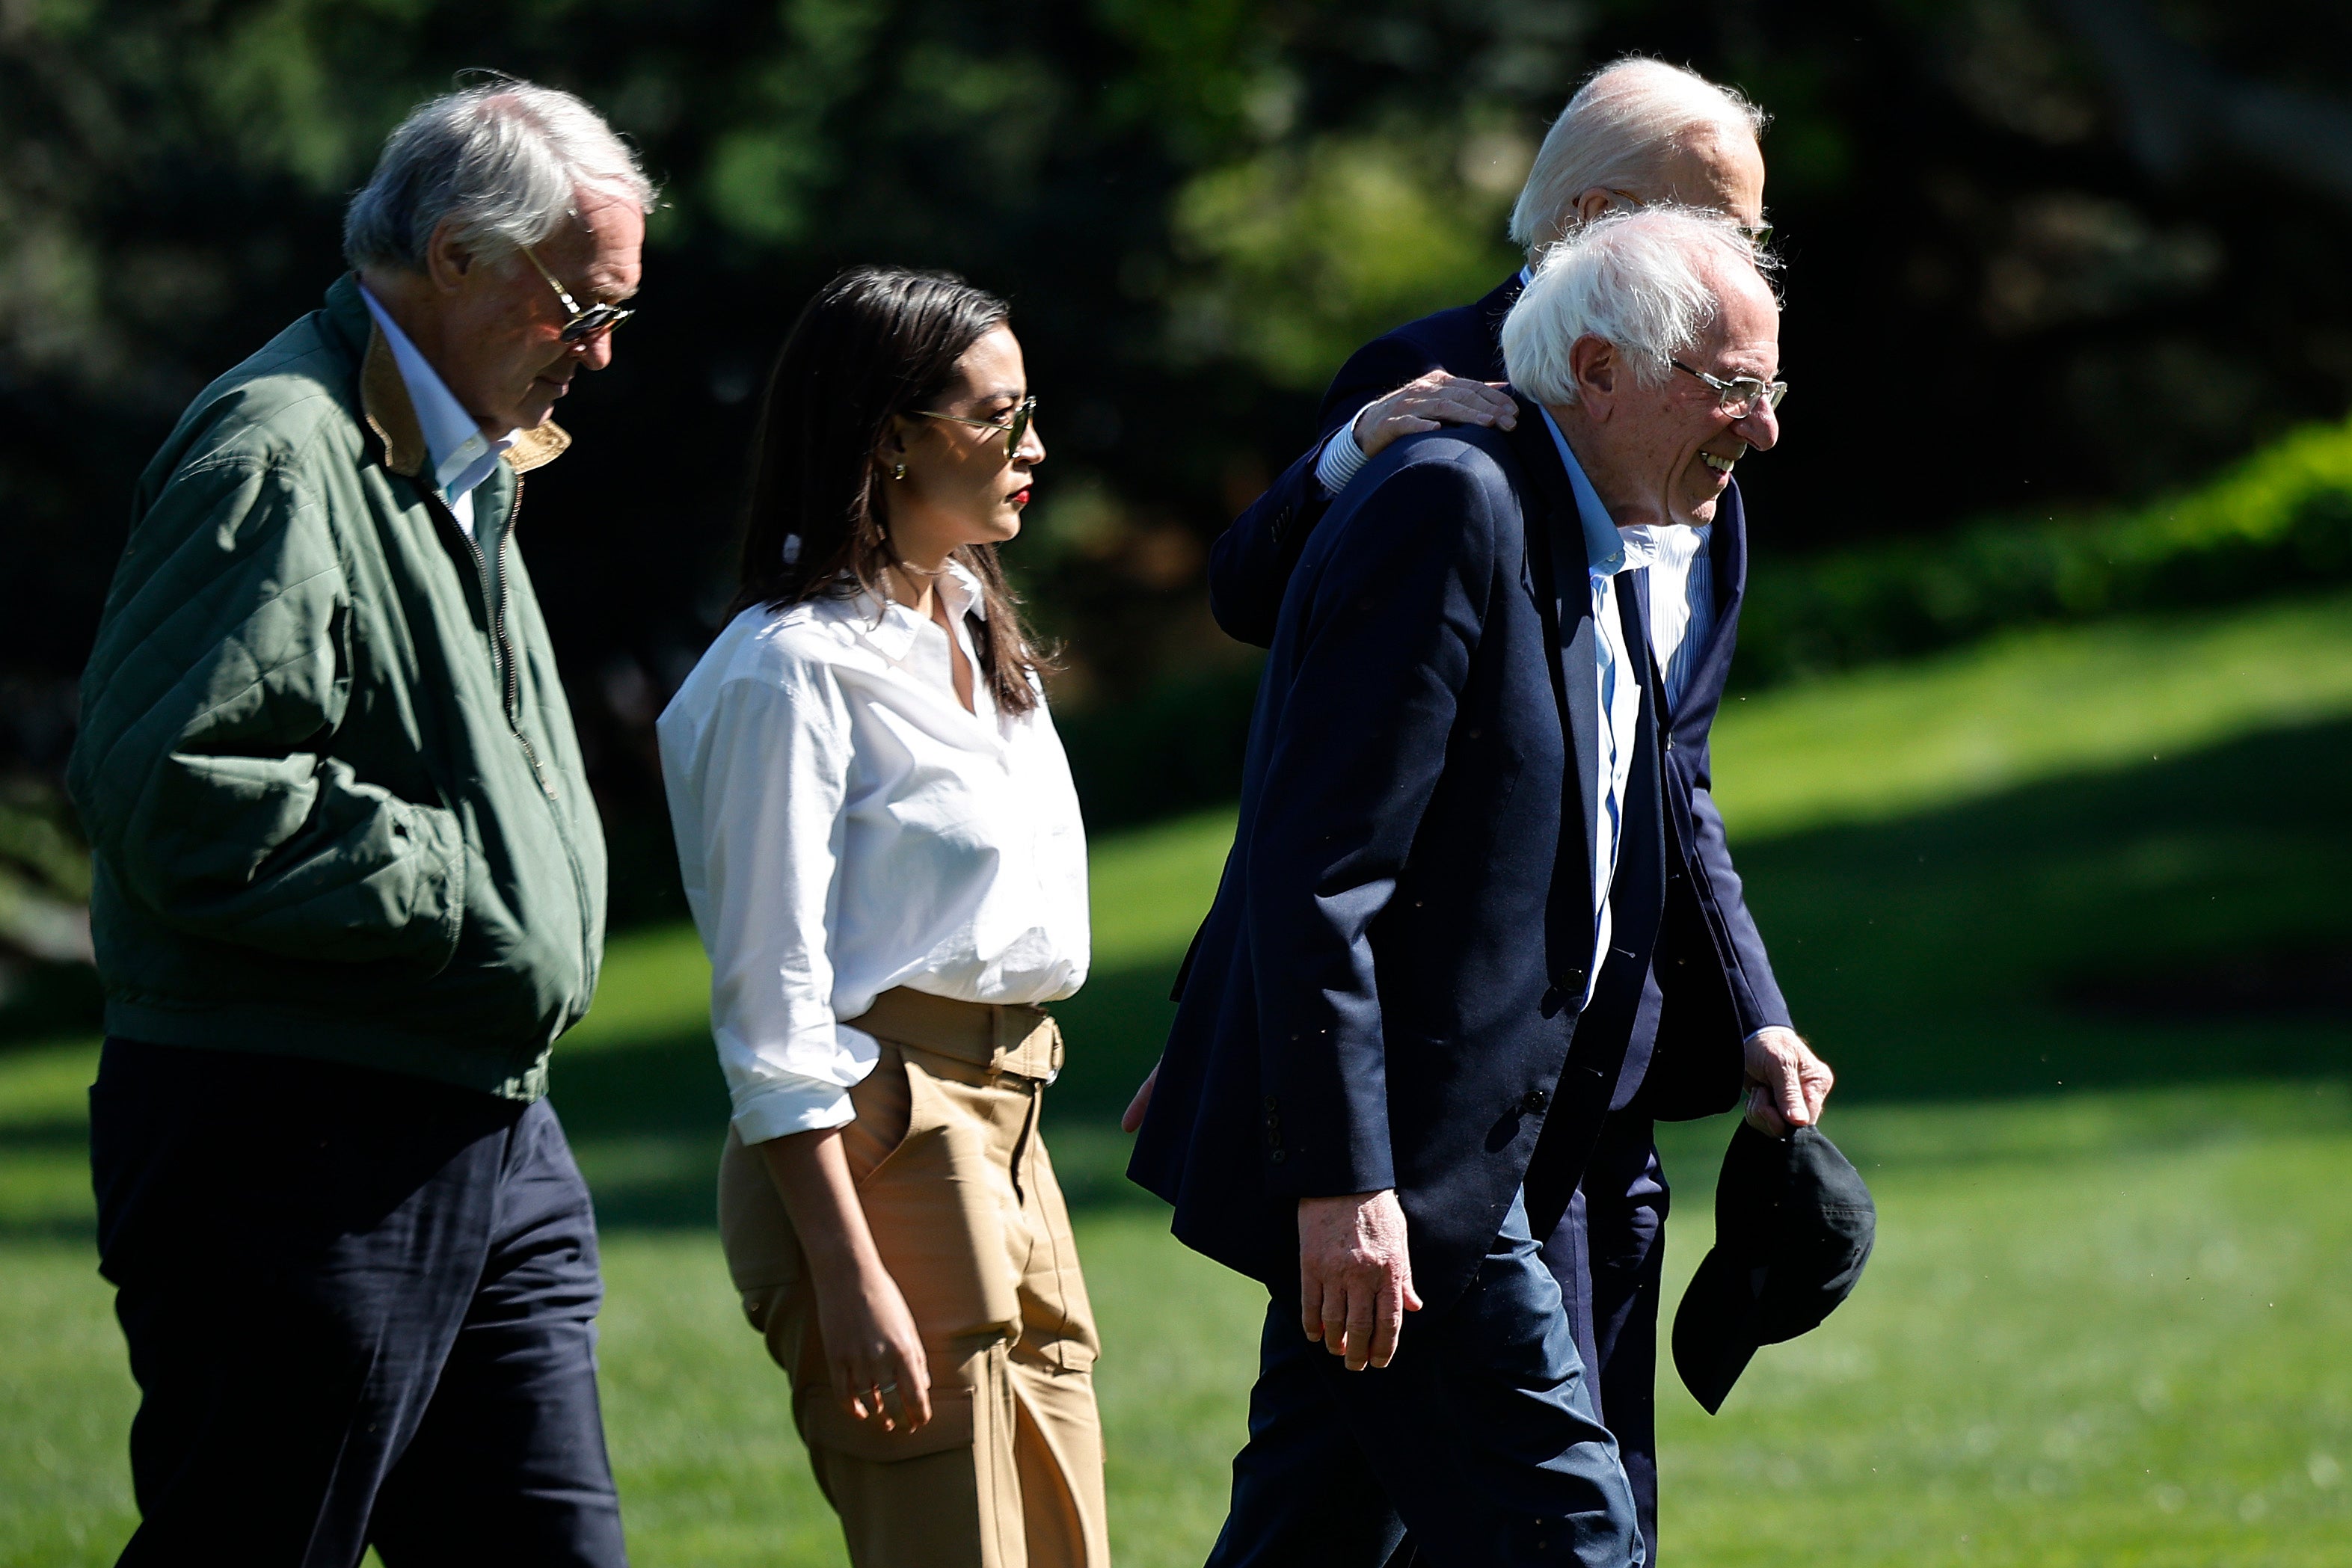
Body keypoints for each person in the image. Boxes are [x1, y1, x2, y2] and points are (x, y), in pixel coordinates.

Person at [1127, 56, 1834, 1561]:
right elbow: (1324, 815)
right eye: (1718, 229)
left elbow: (1658, 772)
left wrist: (1753, 1006)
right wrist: (1304, 1119)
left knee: (1333, 1526)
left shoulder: (1660, 463)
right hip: (1428, 1125)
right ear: (1594, 254)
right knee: (1572, 1530)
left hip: (1580, 1078)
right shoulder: (1453, 450)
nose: (1758, 424)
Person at [66, 81, 650, 1565]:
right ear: (457, 255)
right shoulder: (278, 445)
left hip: (486, 1115)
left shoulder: (457, 448)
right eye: (578, 310)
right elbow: (175, 791)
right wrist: (468, 892)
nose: (600, 352)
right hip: (294, 1137)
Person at [657, 267, 1107, 1568]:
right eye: (995, 416)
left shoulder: (972, 619)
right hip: (885, 1139)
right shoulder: (787, 672)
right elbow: (770, 1002)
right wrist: (848, 1274)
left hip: (1013, 1123)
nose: (1032, 449)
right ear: (889, 433)